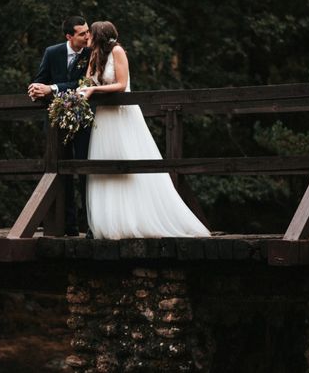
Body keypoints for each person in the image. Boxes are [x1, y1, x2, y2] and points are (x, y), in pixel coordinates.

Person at [77, 21, 210, 239]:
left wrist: (93, 89)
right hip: (103, 116)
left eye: (90, 33)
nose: (87, 36)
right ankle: (111, 223)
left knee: (130, 163)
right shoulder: (94, 55)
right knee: (104, 167)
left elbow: (121, 84)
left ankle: (139, 218)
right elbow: (86, 82)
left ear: (99, 34)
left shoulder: (118, 51)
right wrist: (77, 95)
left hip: (122, 114)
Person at [29, 16, 91, 237]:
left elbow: (84, 84)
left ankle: (91, 225)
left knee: (86, 171)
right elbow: (41, 79)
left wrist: (52, 88)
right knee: (59, 174)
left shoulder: (92, 53)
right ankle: (68, 226)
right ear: (69, 36)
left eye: (87, 31)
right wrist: (36, 89)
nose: (87, 36)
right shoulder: (52, 52)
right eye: (82, 33)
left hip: (84, 122)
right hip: (57, 123)